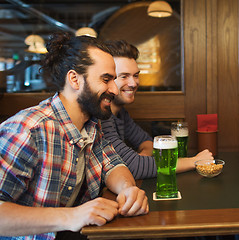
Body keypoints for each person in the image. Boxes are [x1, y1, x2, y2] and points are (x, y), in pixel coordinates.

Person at [0, 32, 149, 240]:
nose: (115, 89)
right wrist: (72, 216)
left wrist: (128, 189)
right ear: (74, 79)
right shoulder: (28, 129)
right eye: (106, 79)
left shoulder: (91, 124)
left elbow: (113, 164)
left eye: (114, 80)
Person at [101, 40, 214, 179]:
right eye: (124, 76)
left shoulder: (120, 113)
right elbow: (135, 168)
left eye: (136, 75)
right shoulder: (101, 117)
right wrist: (194, 161)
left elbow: (147, 142)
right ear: (108, 80)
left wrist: (141, 160)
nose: (133, 83)